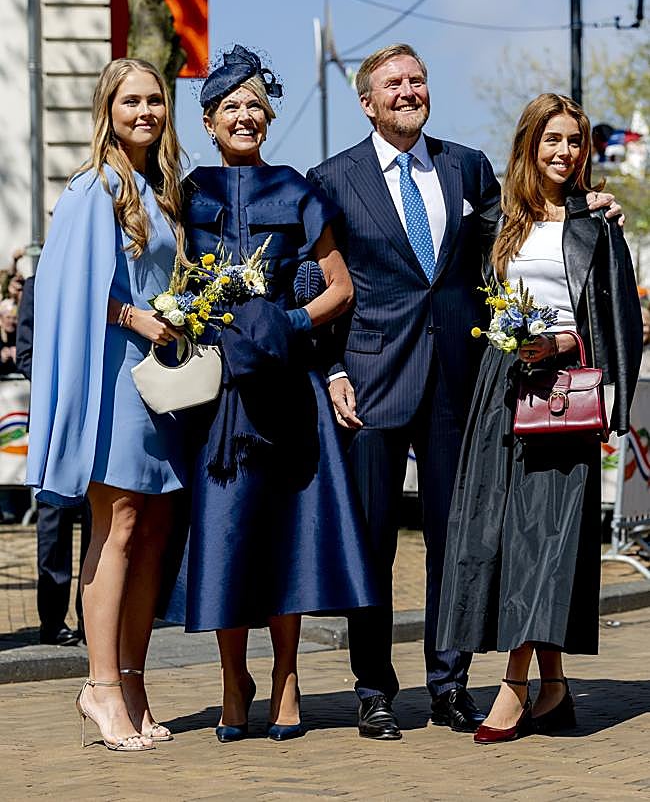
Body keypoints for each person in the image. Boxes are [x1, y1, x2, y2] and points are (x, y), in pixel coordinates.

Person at [306, 44, 623, 741]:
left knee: (462, 539)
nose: (408, 91)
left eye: (418, 80)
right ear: (367, 101)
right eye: (393, 83)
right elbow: (315, 280)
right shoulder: (331, 178)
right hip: (371, 385)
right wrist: (332, 371)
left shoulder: (467, 167)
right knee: (372, 543)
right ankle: (373, 689)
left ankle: (448, 685)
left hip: (463, 384)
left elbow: (530, 228)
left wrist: (589, 203)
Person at [167, 45, 377, 743]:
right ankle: (234, 679)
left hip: (289, 393)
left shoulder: (297, 190)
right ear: (207, 121)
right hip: (215, 396)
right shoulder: (183, 194)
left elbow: (340, 287)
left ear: (270, 117)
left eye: (255, 106)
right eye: (230, 106)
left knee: (287, 533)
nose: (244, 116)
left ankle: (286, 675)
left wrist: (287, 322)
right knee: (225, 535)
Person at [437, 93, 642, 744]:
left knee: (548, 537)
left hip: (565, 390)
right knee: (501, 534)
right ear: (529, 143)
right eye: (552, 139)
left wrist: (567, 347)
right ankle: (553, 687)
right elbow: (464, 301)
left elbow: (620, 322)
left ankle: (513, 683)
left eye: (575, 141)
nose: (565, 152)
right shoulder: (493, 219)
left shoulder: (597, 222)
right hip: (500, 387)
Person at [26, 58, 188, 751]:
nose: (145, 111)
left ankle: (133, 680)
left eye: (155, 100)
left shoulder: (161, 188)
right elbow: (65, 289)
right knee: (116, 524)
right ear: (108, 111)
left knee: (152, 529)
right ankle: (100, 688)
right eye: (131, 101)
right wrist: (133, 316)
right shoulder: (93, 187)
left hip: (162, 382)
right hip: (114, 377)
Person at [16, 276, 91, 646]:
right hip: (53, 419)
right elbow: (25, 354)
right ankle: (52, 620)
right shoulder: (37, 285)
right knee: (53, 523)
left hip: (94, 419)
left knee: (98, 522)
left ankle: (92, 619)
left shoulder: (98, 284)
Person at [0, 299, 18, 376]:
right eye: (8, 317)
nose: (11, 321)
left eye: (14, 318)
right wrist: (2, 358)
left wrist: (18, 357)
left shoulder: (19, 337)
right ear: (1, 318)